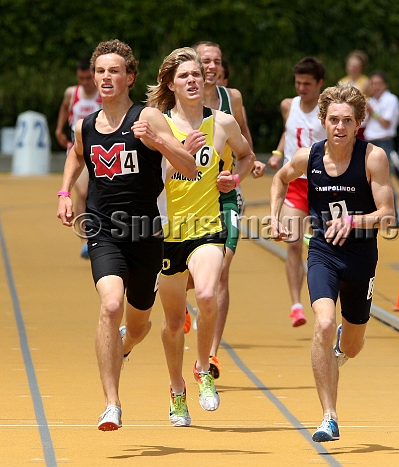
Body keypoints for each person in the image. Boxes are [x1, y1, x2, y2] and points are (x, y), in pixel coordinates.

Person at [56, 39, 197, 431]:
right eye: (100, 71)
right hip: (103, 230)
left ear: (129, 77)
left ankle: (125, 345)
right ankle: (112, 405)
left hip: (146, 233)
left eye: (114, 71)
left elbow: (188, 166)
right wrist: (66, 192)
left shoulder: (148, 117)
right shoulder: (87, 124)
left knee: (137, 326)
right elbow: (75, 153)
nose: (106, 77)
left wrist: (159, 141)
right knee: (110, 303)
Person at [270, 85, 394, 442]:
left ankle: (344, 343)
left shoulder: (373, 158)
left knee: (351, 346)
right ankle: (329, 416)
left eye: (347, 121)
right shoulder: (309, 156)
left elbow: (387, 214)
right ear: (323, 121)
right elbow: (280, 178)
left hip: (360, 257)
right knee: (323, 324)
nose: (340, 127)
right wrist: (276, 216)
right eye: (334, 120)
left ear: (359, 124)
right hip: (323, 251)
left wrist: (353, 221)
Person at [146, 47, 255, 426]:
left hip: (207, 226)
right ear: (170, 84)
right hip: (167, 230)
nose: (193, 80)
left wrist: (233, 178)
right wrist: (176, 153)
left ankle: (204, 368)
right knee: (174, 322)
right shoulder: (157, 124)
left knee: (207, 293)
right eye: (184, 76)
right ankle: (177, 391)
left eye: (197, 74)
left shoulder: (222, 123)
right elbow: (146, 182)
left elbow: (246, 155)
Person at [193, 41, 266, 378]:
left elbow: (246, 148)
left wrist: (237, 178)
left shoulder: (231, 99)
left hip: (225, 197)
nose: (211, 66)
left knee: (222, 270)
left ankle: (210, 354)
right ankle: (182, 308)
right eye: (205, 60)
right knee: (185, 275)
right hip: (184, 198)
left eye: (216, 61)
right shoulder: (173, 102)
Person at [268, 56, 327, 327]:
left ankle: (325, 300)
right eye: (298, 82)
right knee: (292, 243)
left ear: (319, 85)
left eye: (307, 84)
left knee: (327, 245)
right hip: (295, 181)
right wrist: (278, 153)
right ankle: (296, 304)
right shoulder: (287, 105)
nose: (302, 88)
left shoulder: (327, 111)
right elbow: (288, 131)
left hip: (322, 183)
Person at [55, 59, 103, 259]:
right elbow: (65, 107)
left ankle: (104, 234)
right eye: (80, 78)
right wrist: (59, 129)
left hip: (102, 152)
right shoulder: (72, 93)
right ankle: (85, 240)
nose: (84, 82)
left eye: (87, 78)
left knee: (100, 194)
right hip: (78, 150)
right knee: (82, 192)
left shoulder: (105, 93)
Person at [363, 71, 399, 157]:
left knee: (384, 169)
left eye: (378, 84)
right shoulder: (370, 101)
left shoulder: (391, 100)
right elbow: (364, 124)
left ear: (385, 85)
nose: (375, 87)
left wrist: (372, 112)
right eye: (372, 84)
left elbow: (386, 123)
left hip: (384, 141)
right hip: (369, 140)